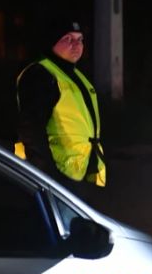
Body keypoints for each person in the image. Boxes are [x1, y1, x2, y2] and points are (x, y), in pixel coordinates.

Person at [15, 18, 106, 198]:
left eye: (80, 40)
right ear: (53, 42)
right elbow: (30, 128)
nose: (76, 45)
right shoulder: (41, 74)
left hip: (76, 172)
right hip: (57, 175)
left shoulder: (73, 74)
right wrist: (47, 175)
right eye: (68, 39)